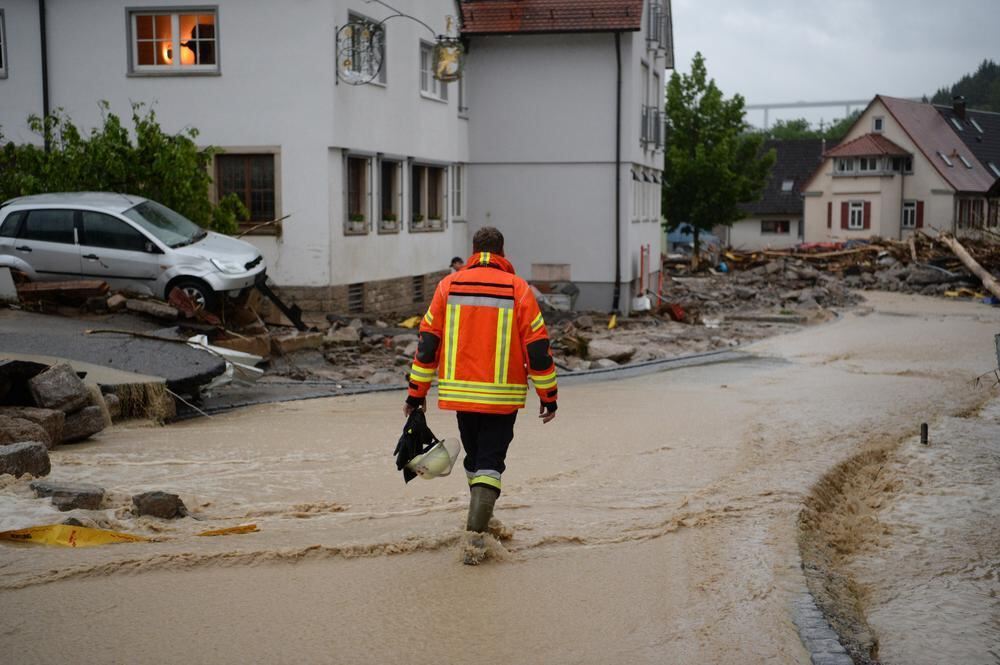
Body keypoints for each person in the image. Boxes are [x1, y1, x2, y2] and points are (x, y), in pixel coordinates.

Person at [405, 227, 558, 563]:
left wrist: (416, 394)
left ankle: (481, 525)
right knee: (489, 463)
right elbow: (538, 349)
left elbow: (427, 344)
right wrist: (548, 396)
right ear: (502, 252)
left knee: (476, 461)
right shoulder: (518, 289)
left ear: (473, 250)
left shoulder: (448, 286)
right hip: (502, 398)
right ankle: (474, 543)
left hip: (461, 395)